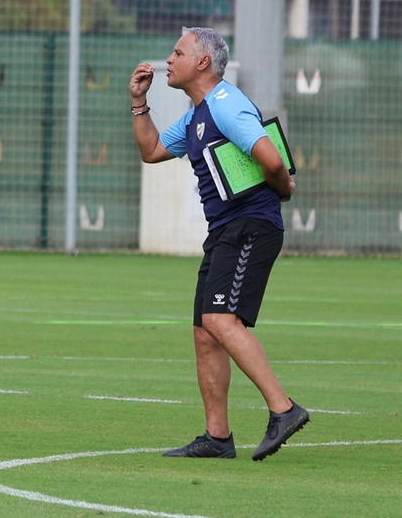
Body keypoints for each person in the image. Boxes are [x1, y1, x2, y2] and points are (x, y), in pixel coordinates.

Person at [130, 27, 308, 461]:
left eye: (178, 53)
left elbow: (270, 158)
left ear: (203, 62)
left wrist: (284, 188)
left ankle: (283, 409)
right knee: (205, 331)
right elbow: (151, 150)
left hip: (250, 225)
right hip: (226, 230)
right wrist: (139, 102)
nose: (168, 61)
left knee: (220, 320)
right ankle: (217, 437)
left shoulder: (226, 106)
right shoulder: (196, 116)